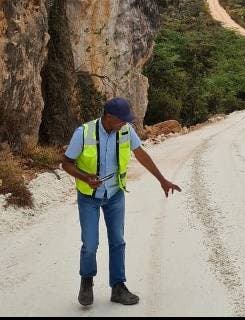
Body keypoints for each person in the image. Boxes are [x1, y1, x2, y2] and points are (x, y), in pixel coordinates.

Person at [61, 97, 181, 306]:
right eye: (122, 120)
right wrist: (85, 178)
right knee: (90, 244)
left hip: (115, 195)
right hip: (89, 198)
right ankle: (86, 282)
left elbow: (141, 155)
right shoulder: (84, 133)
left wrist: (162, 179)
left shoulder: (125, 131)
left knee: (118, 241)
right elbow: (66, 163)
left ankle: (118, 287)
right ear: (109, 117)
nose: (125, 124)